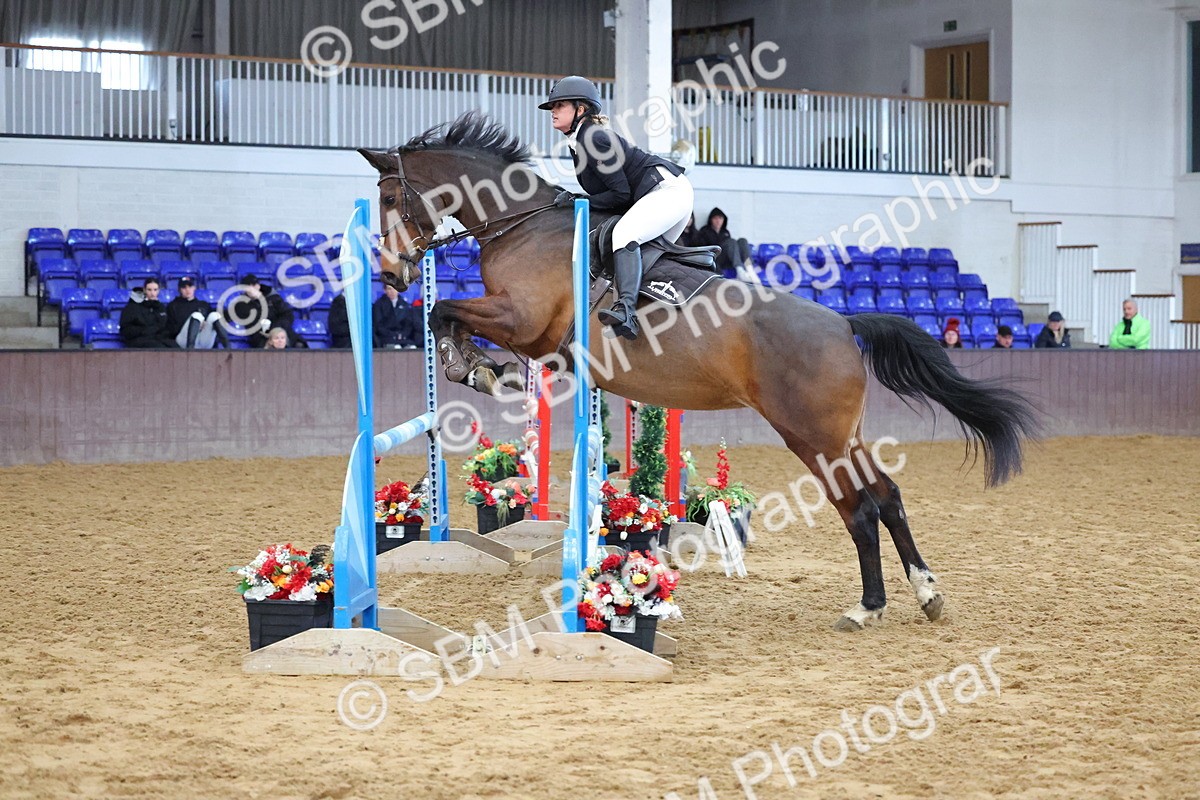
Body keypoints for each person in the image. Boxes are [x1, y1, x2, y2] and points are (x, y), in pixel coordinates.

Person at [541, 75, 694, 340]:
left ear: (581, 109)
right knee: (636, 257)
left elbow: (620, 194)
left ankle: (626, 312)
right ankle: (642, 320)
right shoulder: (580, 140)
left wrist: (578, 200)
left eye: (560, 105)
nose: (553, 111)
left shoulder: (593, 137)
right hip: (662, 194)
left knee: (624, 235)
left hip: (667, 191)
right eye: (553, 106)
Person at [229, 274, 294, 349]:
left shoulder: (273, 298)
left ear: (258, 286)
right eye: (248, 286)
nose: (252, 289)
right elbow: (230, 315)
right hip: (259, 334)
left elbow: (287, 315)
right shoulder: (241, 304)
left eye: (254, 285)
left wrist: (275, 328)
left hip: (279, 328)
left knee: (295, 340)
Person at [165, 276, 229, 349]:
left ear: (194, 288)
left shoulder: (203, 305)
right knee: (197, 315)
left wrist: (204, 324)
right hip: (183, 341)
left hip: (202, 340)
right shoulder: (173, 306)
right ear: (179, 289)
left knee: (215, 315)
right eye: (184, 287)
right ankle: (190, 351)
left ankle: (228, 349)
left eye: (190, 286)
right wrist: (195, 324)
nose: (187, 290)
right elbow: (171, 330)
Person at [119, 278, 177, 348]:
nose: (152, 293)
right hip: (138, 341)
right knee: (159, 348)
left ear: (159, 290)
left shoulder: (161, 307)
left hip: (158, 339)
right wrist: (144, 331)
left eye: (155, 290)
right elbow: (125, 330)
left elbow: (166, 327)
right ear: (144, 290)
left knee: (177, 348)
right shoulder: (132, 307)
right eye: (149, 290)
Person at [697, 207, 754, 278]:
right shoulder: (704, 231)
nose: (718, 221)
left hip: (728, 260)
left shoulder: (725, 232)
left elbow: (731, 250)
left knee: (742, 241)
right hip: (715, 260)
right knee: (731, 241)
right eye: (715, 218)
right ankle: (740, 270)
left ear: (724, 220)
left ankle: (750, 269)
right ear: (711, 220)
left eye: (720, 218)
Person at [373, 283, 420, 349]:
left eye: (394, 288)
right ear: (385, 290)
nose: (392, 291)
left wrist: (402, 335)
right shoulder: (378, 305)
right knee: (396, 347)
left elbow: (408, 324)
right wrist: (393, 335)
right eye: (389, 289)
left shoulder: (405, 305)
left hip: (403, 338)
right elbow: (379, 325)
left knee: (412, 347)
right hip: (386, 338)